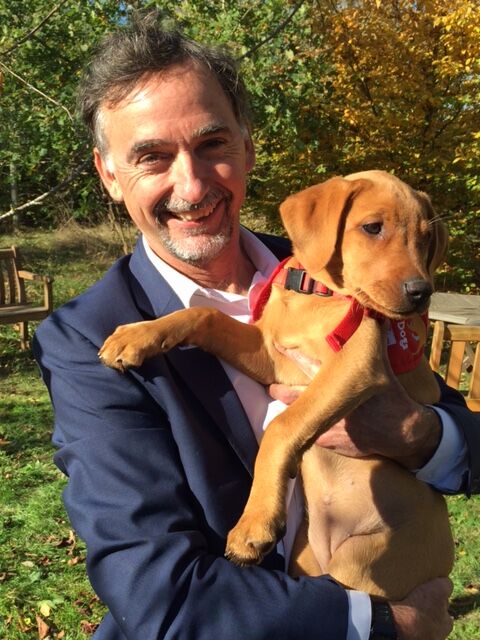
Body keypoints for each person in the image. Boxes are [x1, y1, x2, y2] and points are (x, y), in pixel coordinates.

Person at [33, 13, 480, 640]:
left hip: (383, 545)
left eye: (212, 144)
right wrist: (382, 625)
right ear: (109, 175)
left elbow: (464, 438)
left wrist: (421, 436)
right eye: (151, 157)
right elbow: (152, 586)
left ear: (246, 148)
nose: (190, 185)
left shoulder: (341, 266)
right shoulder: (86, 338)